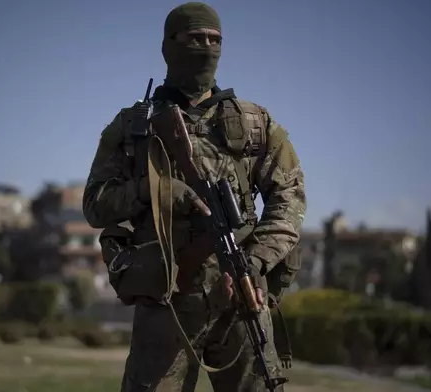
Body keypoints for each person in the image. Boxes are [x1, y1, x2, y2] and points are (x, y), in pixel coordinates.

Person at [83, 2, 306, 391]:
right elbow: (95, 205)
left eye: (214, 40)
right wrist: (157, 191)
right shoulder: (133, 127)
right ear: (169, 46)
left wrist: (254, 262)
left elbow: (290, 198)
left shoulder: (254, 122)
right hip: (166, 298)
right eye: (195, 38)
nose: (206, 47)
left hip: (241, 295)